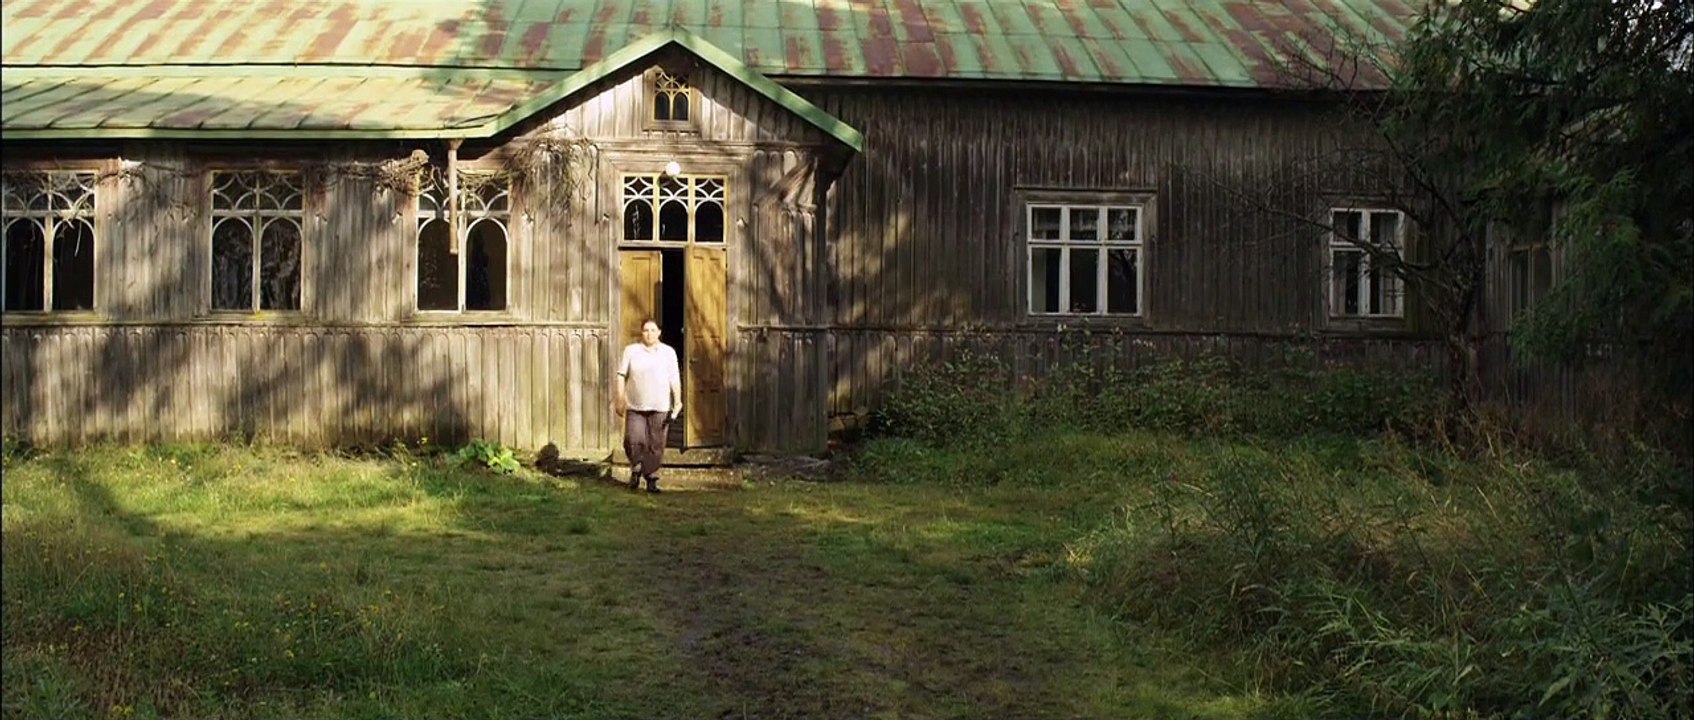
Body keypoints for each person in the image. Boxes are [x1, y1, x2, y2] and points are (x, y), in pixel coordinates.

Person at [614, 319, 681, 493]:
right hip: (636, 404)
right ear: (641, 333)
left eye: (653, 330)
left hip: (660, 405)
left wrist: (678, 401)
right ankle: (636, 467)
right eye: (645, 330)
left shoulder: (668, 352)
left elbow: (674, 378)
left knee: (656, 444)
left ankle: (651, 478)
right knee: (633, 439)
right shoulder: (631, 351)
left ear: (659, 332)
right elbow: (621, 374)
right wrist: (620, 397)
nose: (649, 334)